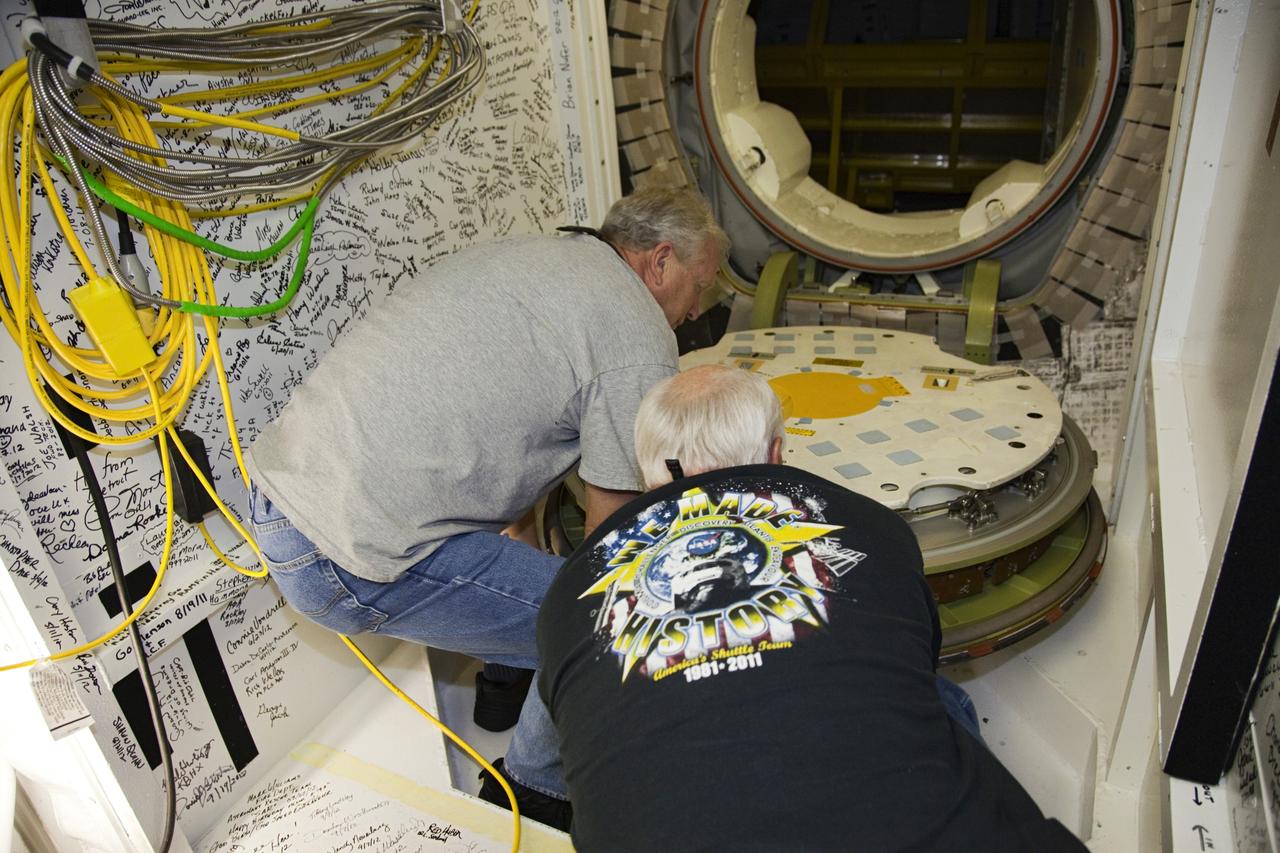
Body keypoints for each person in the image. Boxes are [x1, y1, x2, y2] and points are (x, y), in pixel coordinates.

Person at [244, 188, 729, 830]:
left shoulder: (546, 256)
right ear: (661, 262)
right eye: (699, 287)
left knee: (554, 594)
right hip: (347, 549)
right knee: (613, 618)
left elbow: (506, 442)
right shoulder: (635, 329)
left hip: (285, 494)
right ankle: (530, 797)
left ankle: (510, 677)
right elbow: (613, 544)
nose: (696, 310)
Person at [536, 365, 1087, 851]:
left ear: (647, 472)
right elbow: (918, 653)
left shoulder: (569, 590)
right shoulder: (871, 525)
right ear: (776, 453)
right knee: (940, 696)